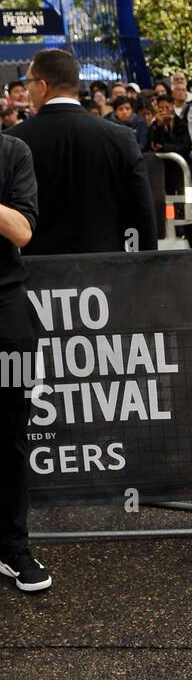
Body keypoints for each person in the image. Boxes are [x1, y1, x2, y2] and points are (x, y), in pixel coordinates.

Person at [11, 49, 156, 254]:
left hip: (36, 272)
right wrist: (147, 267)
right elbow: (141, 209)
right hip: (106, 269)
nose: (27, 91)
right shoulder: (119, 137)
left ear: (42, 86)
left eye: (29, 83)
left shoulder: (12, 140)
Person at [0, 127, 51, 591]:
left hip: (6, 310)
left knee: (10, 430)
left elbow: (21, 230)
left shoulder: (13, 151)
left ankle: (14, 547)